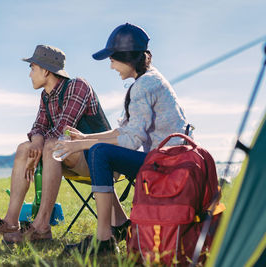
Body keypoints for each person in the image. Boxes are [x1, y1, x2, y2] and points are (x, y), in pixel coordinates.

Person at [59, 23, 190, 255]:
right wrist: (85, 137)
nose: (110, 66)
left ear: (126, 57)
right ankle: (119, 225)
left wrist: (79, 144)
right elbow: (124, 130)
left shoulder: (143, 86)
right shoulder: (148, 80)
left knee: (98, 151)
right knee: (95, 149)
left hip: (166, 165)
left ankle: (104, 240)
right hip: (165, 159)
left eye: (112, 59)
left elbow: (131, 140)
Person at [0, 45, 110, 242]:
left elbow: (63, 130)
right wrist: (36, 142)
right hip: (66, 157)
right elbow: (38, 127)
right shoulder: (46, 96)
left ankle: (41, 226)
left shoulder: (78, 86)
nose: (29, 75)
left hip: (98, 160)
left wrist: (40, 146)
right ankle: (11, 221)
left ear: (46, 70)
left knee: (51, 145)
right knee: (25, 147)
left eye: (32, 68)